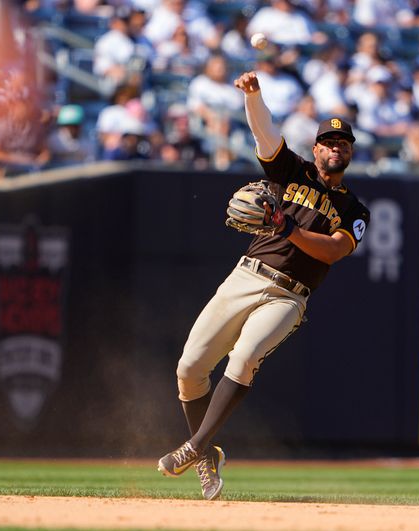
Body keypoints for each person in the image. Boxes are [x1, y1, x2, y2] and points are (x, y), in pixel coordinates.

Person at [156, 70, 370, 500]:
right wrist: (254, 96)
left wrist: (285, 226)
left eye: (342, 143)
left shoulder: (354, 208)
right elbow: (265, 133)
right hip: (248, 273)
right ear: (316, 149)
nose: (335, 148)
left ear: (349, 153)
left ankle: (196, 447)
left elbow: (330, 251)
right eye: (328, 142)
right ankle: (207, 456)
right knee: (189, 369)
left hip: (290, 294)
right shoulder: (292, 169)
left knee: (246, 356)